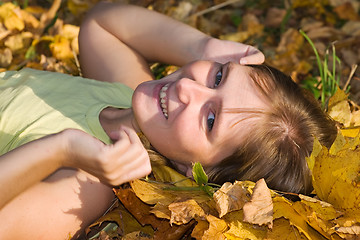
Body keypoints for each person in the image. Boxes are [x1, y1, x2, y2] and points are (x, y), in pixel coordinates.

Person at [0, 2, 336, 239]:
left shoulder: (87, 188)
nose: (189, 87)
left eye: (210, 119)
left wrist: (61, 149)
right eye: (218, 77)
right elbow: (102, 23)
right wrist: (200, 44)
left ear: (200, 172)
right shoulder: (125, 97)